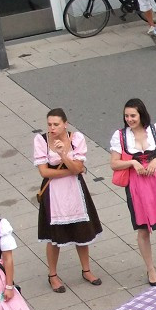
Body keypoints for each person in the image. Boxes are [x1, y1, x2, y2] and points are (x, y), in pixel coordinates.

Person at [109, 98, 156, 287]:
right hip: (136, 184)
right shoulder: (121, 136)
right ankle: (150, 268)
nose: (129, 119)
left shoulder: (155, 129)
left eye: (133, 115)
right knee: (143, 228)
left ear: (141, 114)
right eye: (126, 116)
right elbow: (114, 163)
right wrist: (133, 163)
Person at [33, 108, 103, 292]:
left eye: (56, 124)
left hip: (74, 190)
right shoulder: (40, 140)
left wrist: (64, 155)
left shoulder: (76, 138)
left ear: (65, 124)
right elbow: (44, 172)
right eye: (49, 124)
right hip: (53, 193)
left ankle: (86, 270)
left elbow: (79, 166)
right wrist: (71, 171)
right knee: (53, 236)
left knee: (82, 231)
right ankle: (53, 275)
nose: (52, 128)